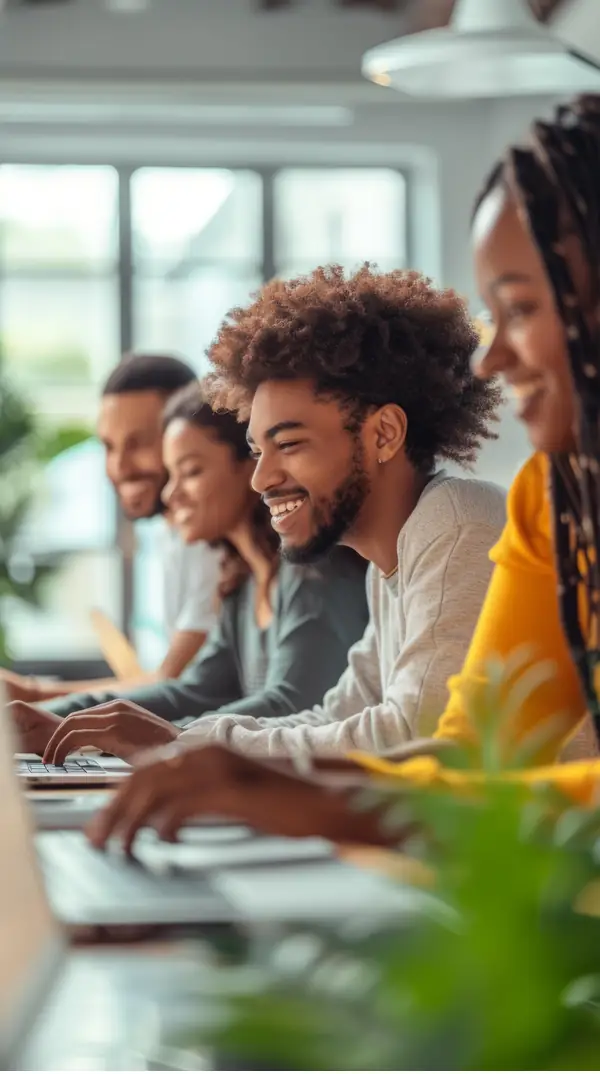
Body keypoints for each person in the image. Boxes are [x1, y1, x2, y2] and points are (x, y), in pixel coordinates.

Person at [82, 94, 600, 853]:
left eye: (519, 310)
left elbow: (428, 744)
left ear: (384, 433)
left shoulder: (455, 523)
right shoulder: (543, 505)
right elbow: (447, 749)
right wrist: (201, 751)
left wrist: (239, 765)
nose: (491, 359)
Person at [26, 265, 506, 771]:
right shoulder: (389, 565)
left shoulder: (454, 523)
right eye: (258, 451)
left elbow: (411, 735)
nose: (261, 479)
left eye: (290, 444)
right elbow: (335, 715)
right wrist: (179, 742)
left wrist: (180, 745)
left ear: (384, 434)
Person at [12, 381, 370, 757]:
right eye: (171, 474)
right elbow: (192, 691)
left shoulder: (315, 569)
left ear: (248, 466)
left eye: (191, 471)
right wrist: (53, 720)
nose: (170, 494)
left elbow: (292, 703)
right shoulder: (243, 583)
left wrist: (167, 739)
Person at [1, 352, 222, 703]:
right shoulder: (171, 535)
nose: (119, 466)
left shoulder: (211, 544)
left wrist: (32, 694)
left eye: (138, 443)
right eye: (108, 446)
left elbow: (174, 682)